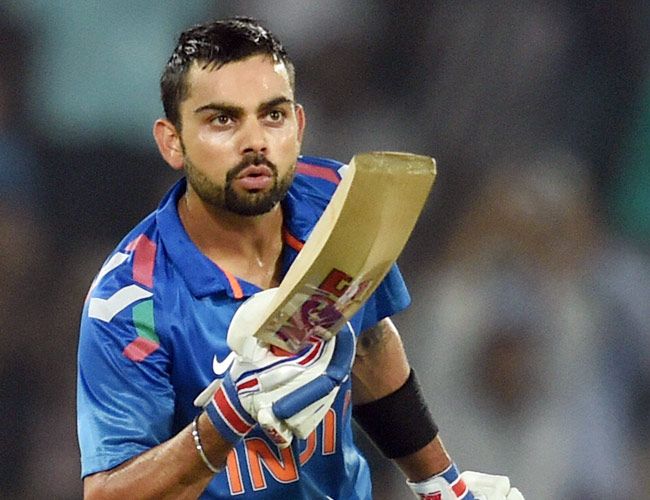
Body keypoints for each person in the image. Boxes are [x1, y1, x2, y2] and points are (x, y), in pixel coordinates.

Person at [77, 17, 523, 499]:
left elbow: (369, 343)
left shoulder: (338, 202)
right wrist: (227, 417)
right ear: (173, 142)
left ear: (299, 125)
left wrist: (441, 483)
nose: (255, 141)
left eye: (273, 115)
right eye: (222, 120)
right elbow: (106, 494)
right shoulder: (130, 300)